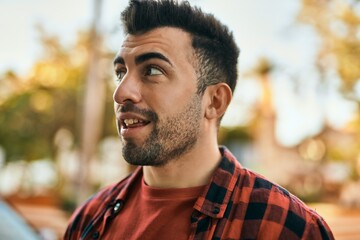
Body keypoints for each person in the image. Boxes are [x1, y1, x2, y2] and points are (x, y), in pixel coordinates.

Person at [64, 0, 335, 239]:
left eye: (153, 70)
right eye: (121, 72)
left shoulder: (286, 227)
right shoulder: (89, 219)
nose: (121, 92)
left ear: (214, 101)